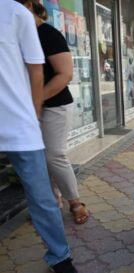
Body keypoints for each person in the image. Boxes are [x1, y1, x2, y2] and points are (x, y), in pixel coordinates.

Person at [0, 0, 79, 273]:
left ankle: (61, 253)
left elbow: (47, 72)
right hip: (32, 116)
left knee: (45, 181)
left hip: (24, 120)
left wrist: (33, 113)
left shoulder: (18, 15)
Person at [17, 0, 89, 224]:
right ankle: (51, 203)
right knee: (38, 158)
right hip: (26, 107)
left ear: (28, 6)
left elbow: (65, 74)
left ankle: (75, 202)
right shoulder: (17, 35)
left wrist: (34, 101)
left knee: (53, 155)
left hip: (55, 105)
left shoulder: (48, 34)